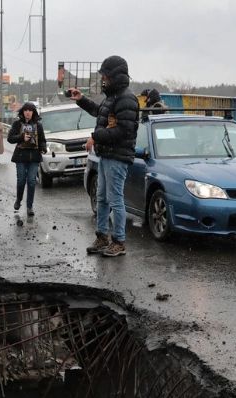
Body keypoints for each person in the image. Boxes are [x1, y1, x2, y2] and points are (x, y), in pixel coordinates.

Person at [67, 55, 139, 257]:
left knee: (115, 200)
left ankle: (118, 241)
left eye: (105, 75)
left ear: (114, 76)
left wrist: (94, 137)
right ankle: (102, 237)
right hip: (106, 156)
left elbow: (124, 131)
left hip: (117, 157)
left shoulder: (126, 99)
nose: (102, 79)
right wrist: (81, 100)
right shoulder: (113, 97)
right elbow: (101, 112)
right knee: (101, 198)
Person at [6, 102, 47, 215]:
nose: (28, 112)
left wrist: (43, 148)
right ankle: (19, 200)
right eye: (25, 110)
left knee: (32, 181)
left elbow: (43, 140)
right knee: (21, 181)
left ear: (33, 112)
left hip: (34, 157)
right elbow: (10, 138)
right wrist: (21, 137)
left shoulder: (38, 125)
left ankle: (29, 207)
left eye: (30, 110)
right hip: (20, 156)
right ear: (23, 112)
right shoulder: (17, 124)